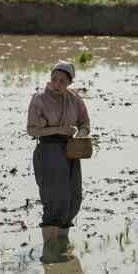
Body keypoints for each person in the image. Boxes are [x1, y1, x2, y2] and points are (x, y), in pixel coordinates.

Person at [27, 61, 90, 261]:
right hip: (48, 150)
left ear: (69, 82)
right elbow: (31, 130)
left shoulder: (75, 99)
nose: (57, 83)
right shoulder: (39, 99)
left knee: (73, 198)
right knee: (55, 200)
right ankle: (50, 254)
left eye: (62, 80)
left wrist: (81, 133)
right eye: (54, 79)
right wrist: (58, 129)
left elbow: (85, 123)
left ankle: (61, 249)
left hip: (71, 151)